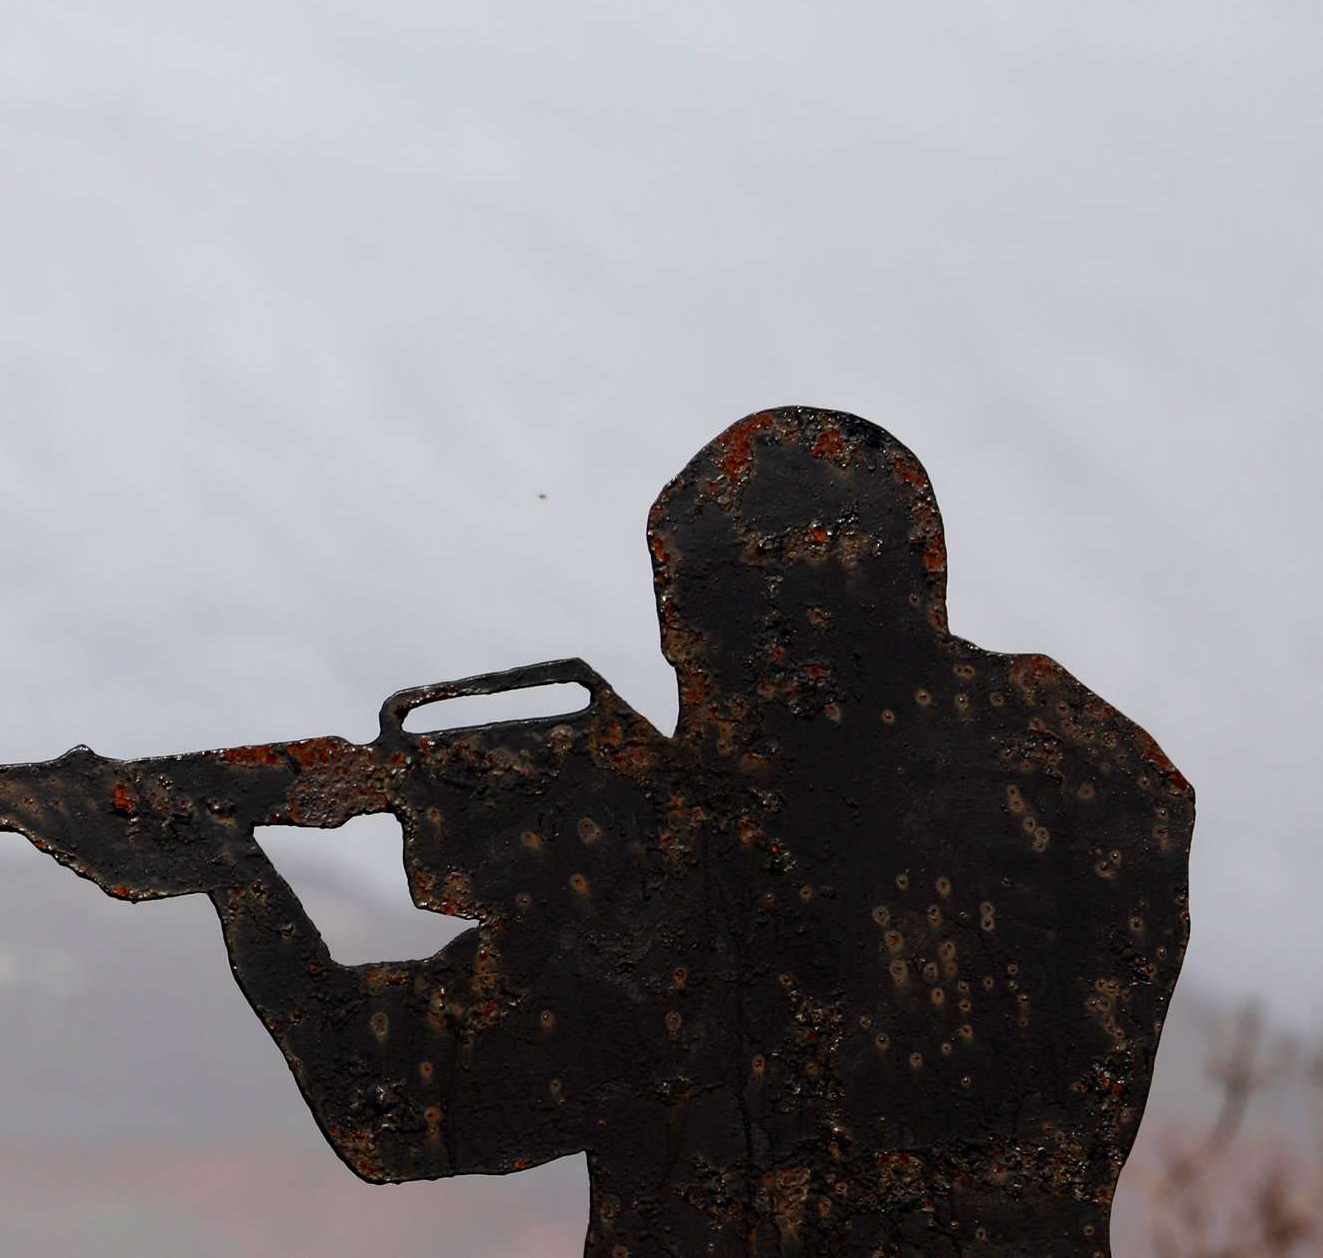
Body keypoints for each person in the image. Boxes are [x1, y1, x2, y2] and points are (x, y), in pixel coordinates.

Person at [196, 406, 1194, 1255]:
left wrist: (231, 879)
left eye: (689, 629)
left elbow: (396, 1104)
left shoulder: (693, 868)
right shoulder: (1085, 770)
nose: (679, 670)